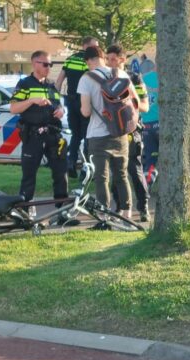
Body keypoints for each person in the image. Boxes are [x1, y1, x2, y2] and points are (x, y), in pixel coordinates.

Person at [10, 50, 75, 224]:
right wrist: (31, 101)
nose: (48, 68)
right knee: (29, 174)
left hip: (53, 134)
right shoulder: (25, 84)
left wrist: (61, 110)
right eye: (45, 64)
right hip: (33, 135)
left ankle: (62, 212)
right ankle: (24, 214)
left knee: (61, 173)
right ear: (34, 63)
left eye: (50, 64)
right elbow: (13, 108)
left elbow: (58, 105)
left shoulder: (51, 85)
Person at [77, 45, 140, 218]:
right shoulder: (121, 74)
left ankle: (103, 214)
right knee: (121, 175)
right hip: (120, 132)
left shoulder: (86, 78)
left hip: (97, 136)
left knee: (101, 177)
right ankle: (127, 212)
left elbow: (86, 112)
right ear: (103, 57)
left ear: (88, 61)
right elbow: (136, 102)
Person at [105, 44, 151, 222]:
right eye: (107, 59)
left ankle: (143, 207)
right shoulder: (105, 79)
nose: (109, 63)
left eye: (113, 59)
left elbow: (145, 107)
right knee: (116, 170)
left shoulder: (135, 78)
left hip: (132, 131)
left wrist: (129, 101)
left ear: (122, 59)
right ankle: (119, 207)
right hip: (113, 132)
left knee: (134, 168)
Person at [56, 36, 99, 179]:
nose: (97, 49)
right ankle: (86, 170)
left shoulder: (70, 59)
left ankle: (71, 163)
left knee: (75, 135)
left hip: (70, 100)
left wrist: (57, 101)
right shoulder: (90, 61)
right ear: (86, 45)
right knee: (87, 135)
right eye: (94, 46)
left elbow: (59, 81)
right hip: (85, 101)